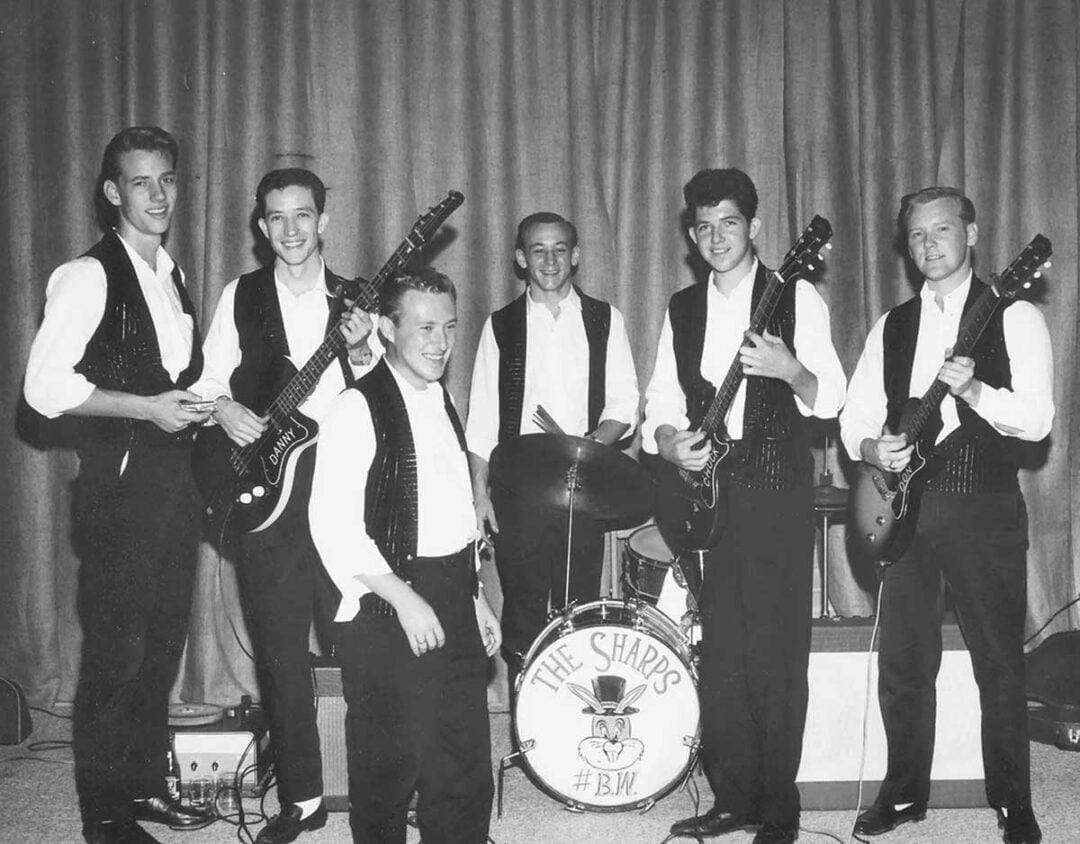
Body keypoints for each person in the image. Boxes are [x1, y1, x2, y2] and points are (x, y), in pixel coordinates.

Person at [839, 187, 1053, 844]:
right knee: (904, 661)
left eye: (943, 231)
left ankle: (1014, 803)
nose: (930, 245)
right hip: (905, 512)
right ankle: (904, 795)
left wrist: (979, 389)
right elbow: (854, 420)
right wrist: (876, 447)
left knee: (998, 662)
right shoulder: (892, 325)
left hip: (982, 507)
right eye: (918, 236)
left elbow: (1038, 419)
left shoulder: (1013, 315)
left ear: (973, 233)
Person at [643, 168, 846, 844]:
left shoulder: (798, 298)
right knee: (721, 649)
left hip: (777, 495)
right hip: (708, 501)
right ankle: (734, 796)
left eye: (729, 223)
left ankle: (779, 811)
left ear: (755, 228)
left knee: (777, 653)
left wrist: (790, 369)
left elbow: (832, 398)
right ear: (691, 235)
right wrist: (673, 444)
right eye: (703, 227)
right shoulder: (681, 309)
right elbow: (661, 407)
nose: (716, 237)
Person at [23, 126, 212, 844]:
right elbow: (43, 390)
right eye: (141, 182)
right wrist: (145, 408)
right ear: (112, 193)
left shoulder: (171, 275)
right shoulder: (88, 275)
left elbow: (170, 380)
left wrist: (198, 403)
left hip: (175, 486)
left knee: (161, 646)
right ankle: (103, 816)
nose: (158, 194)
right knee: (117, 654)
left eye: (166, 179)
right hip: (119, 491)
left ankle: (143, 788)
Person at [193, 167, 378, 844]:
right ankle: (302, 799)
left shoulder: (359, 299)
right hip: (267, 499)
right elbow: (208, 380)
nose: (291, 230)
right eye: (277, 218)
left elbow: (385, 395)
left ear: (324, 222)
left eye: (303, 216)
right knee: (279, 650)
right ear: (261, 226)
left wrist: (361, 350)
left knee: (360, 640)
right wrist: (224, 408)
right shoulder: (238, 295)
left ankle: (375, 784)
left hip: (344, 490)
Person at [308, 269, 500, 844]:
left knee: (463, 755)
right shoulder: (355, 407)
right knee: (388, 760)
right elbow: (333, 525)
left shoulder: (439, 396)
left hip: (450, 589)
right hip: (386, 600)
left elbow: (453, 508)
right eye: (424, 328)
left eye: (448, 327)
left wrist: (475, 598)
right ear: (388, 328)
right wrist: (405, 599)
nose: (440, 343)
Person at [466, 211, 639, 683]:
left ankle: (570, 730)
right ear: (521, 259)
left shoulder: (605, 319)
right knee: (522, 611)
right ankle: (528, 736)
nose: (549, 259)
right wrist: (480, 494)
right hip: (517, 492)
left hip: (583, 487)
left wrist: (589, 446)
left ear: (576, 255)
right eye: (538, 250)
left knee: (578, 608)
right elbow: (480, 419)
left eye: (560, 248)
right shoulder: (500, 326)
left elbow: (625, 402)